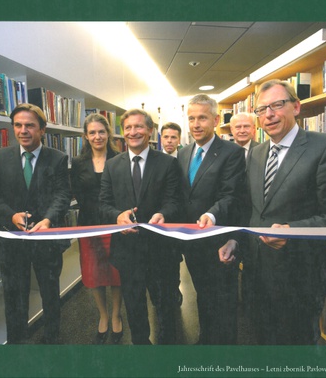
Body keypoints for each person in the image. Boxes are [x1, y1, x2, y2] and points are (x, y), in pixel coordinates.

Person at [219, 79, 326, 345]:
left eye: (277, 105)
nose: (269, 114)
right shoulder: (256, 153)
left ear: (296, 107)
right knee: (262, 344)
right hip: (256, 275)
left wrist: (292, 231)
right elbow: (251, 209)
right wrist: (235, 240)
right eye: (262, 109)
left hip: (299, 277)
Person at [0, 103, 72, 344]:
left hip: (46, 240)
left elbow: (63, 195)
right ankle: (17, 345)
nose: (23, 130)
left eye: (30, 125)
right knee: (14, 297)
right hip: (12, 242)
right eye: (18, 125)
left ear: (42, 129)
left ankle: (52, 339)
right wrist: (11, 216)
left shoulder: (58, 158)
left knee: (50, 294)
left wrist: (47, 219)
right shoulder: (0, 157)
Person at [99, 109, 180, 345]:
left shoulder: (168, 163)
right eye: (128, 128)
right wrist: (117, 216)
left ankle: (167, 351)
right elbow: (103, 203)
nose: (133, 132)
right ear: (122, 132)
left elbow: (175, 201)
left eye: (138, 127)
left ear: (150, 131)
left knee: (165, 308)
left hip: (161, 250)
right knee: (134, 308)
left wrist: (163, 214)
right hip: (128, 251)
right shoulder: (112, 165)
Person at [177, 94, 247, 344]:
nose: (195, 124)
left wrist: (211, 214)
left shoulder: (232, 153)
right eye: (191, 118)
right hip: (192, 244)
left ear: (216, 120)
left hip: (220, 242)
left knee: (224, 301)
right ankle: (205, 340)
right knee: (203, 296)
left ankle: (225, 352)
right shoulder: (183, 153)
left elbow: (232, 195)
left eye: (202, 118)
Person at [70, 113, 123, 344]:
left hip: (115, 225)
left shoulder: (119, 159)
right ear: (85, 136)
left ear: (108, 134)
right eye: (92, 132)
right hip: (89, 227)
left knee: (116, 273)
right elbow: (77, 194)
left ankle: (116, 314)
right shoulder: (78, 163)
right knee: (94, 274)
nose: (97, 136)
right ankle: (103, 315)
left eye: (101, 131)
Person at [160, 122, 183, 306]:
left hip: (181, 218)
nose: (169, 141)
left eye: (173, 137)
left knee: (175, 259)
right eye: (166, 137)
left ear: (179, 140)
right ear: (161, 139)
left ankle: (175, 289)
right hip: (159, 218)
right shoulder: (154, 160)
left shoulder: (185, 159)